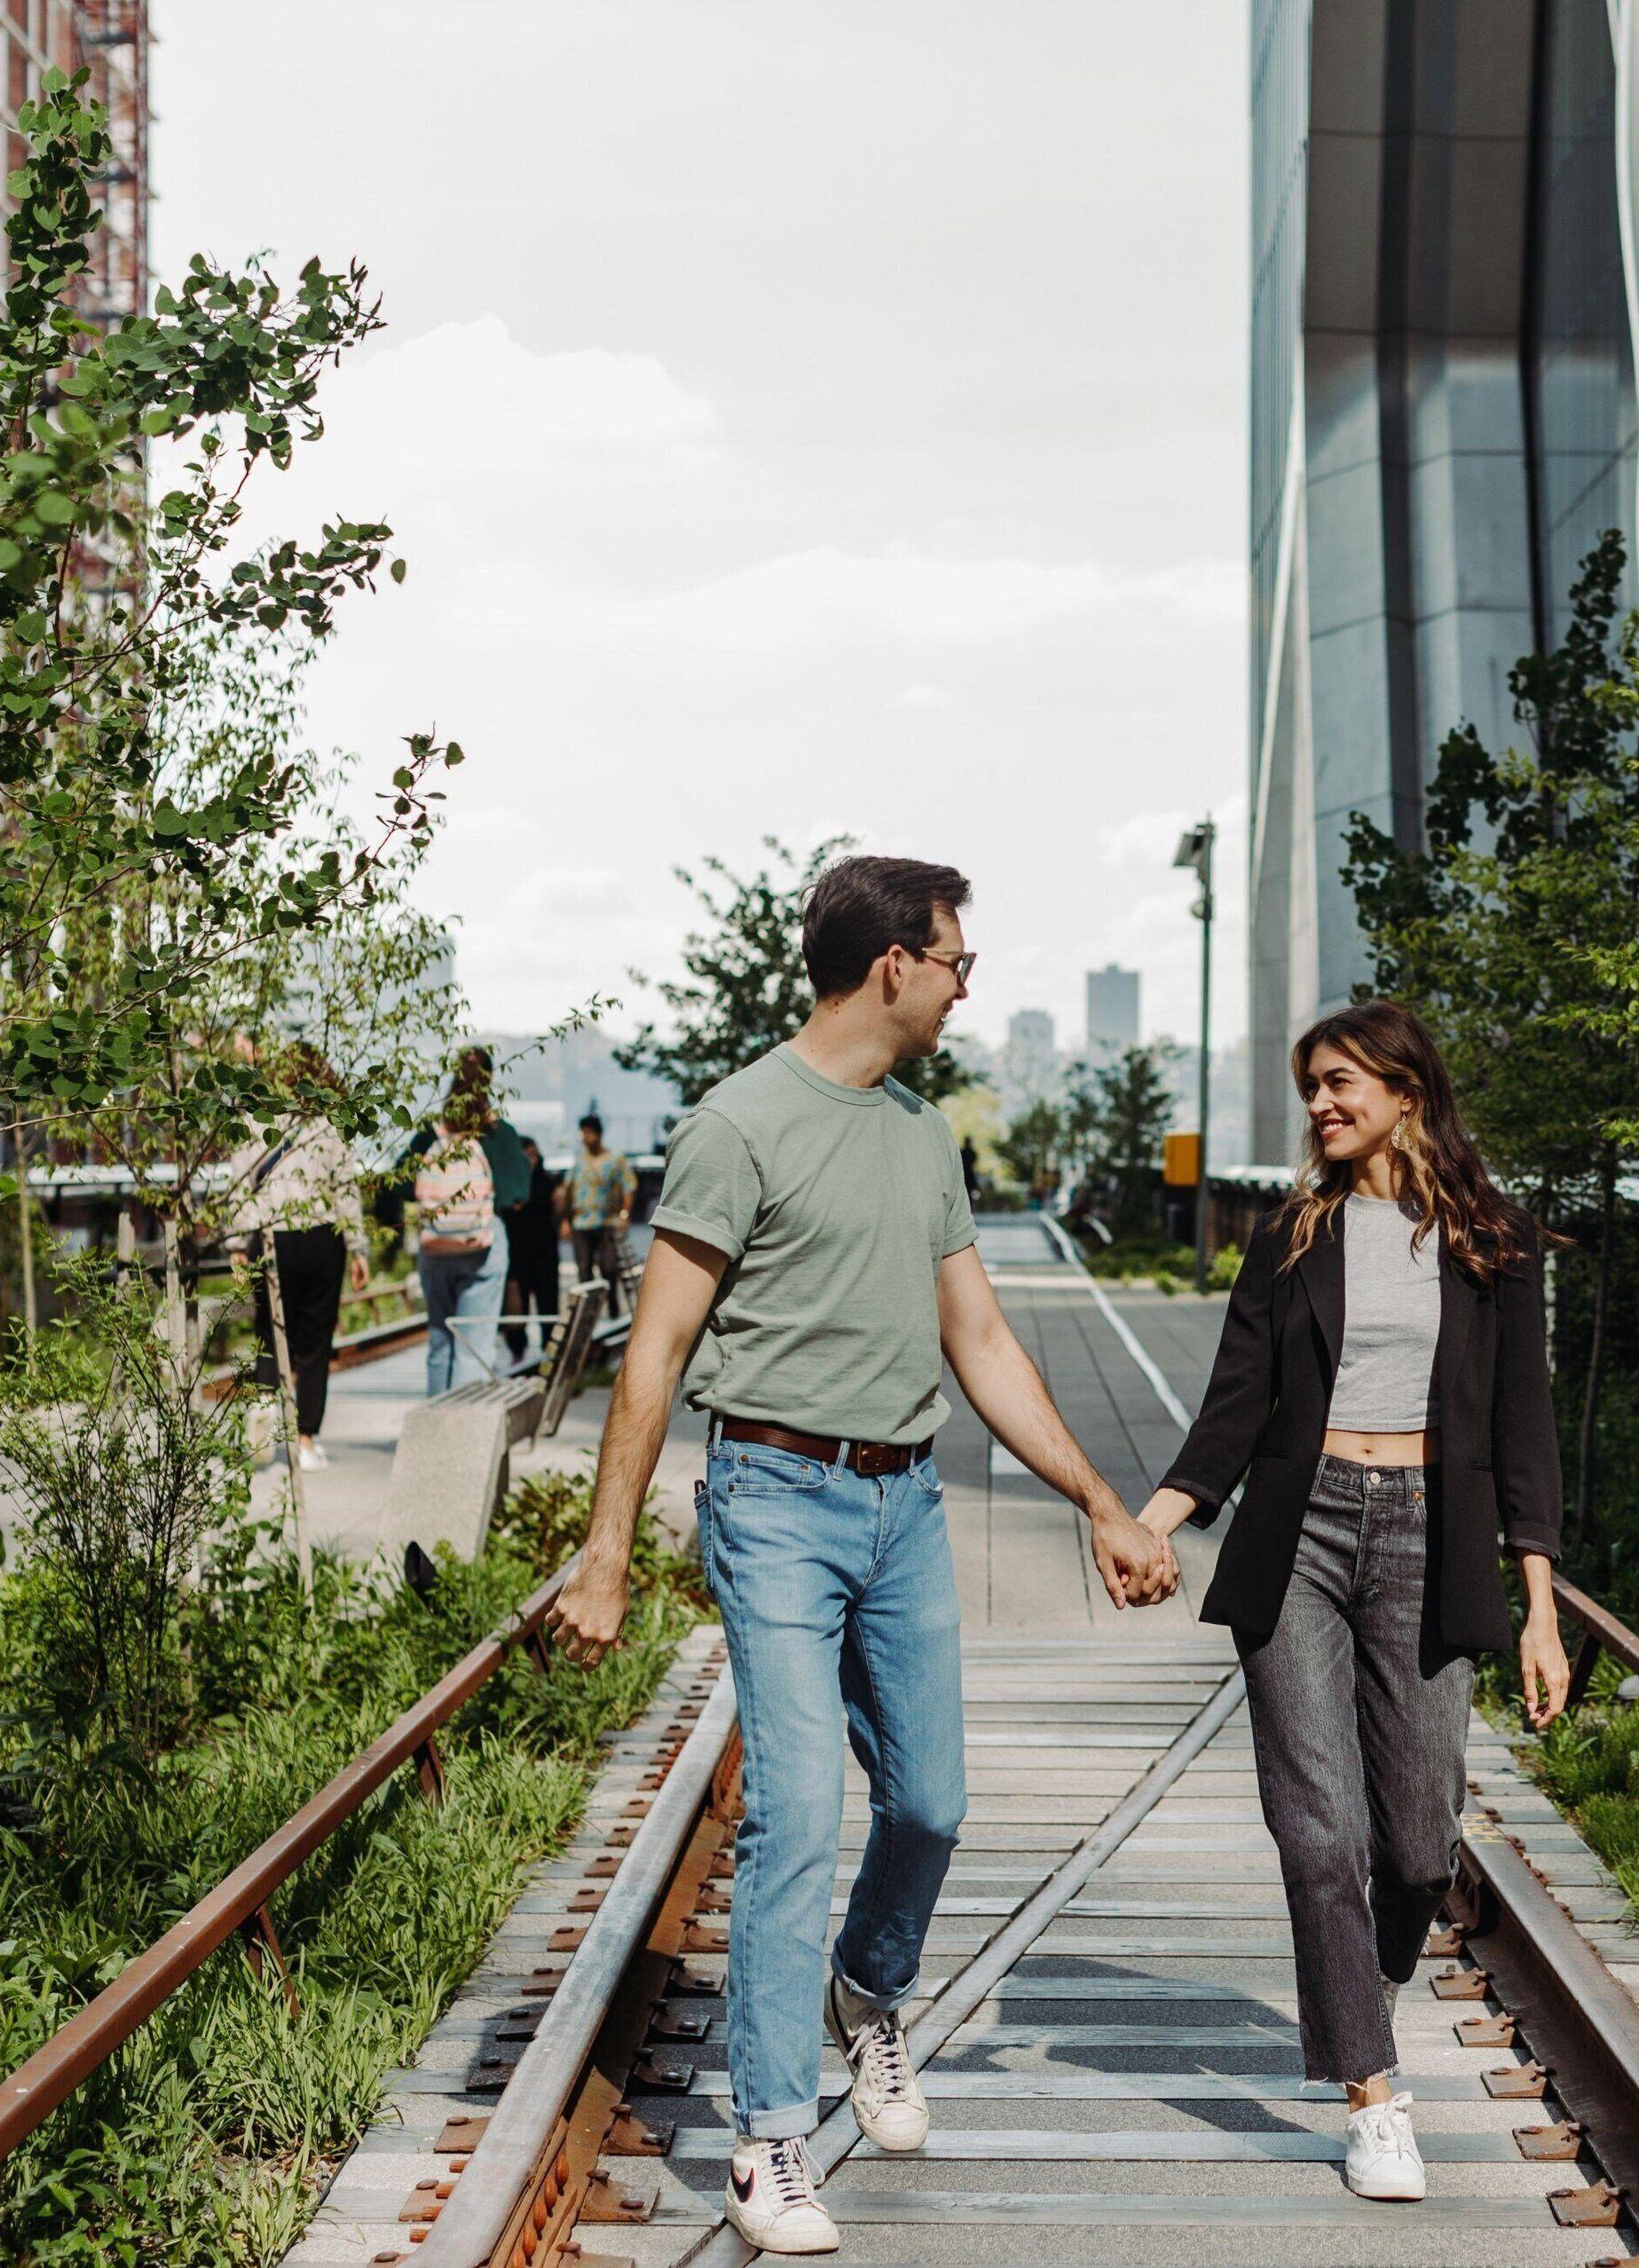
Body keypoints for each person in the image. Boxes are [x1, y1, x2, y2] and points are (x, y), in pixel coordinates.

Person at [541, 854, 1181, 2257]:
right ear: (893, 962)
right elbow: (655, 1354)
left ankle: (866, 1993)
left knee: (936, 1804)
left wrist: (1098, 1500)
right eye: (958, 959)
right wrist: (605, 1557)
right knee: (797, 1815)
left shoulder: (918, 1134)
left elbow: (986, 1342)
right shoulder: (739, 1124)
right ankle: (768, 2141)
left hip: (906, 1508)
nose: (966, 986)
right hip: (773, 1496)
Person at [1131, 1000, 1570, 2205]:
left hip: (1437, 1542)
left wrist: (1540, 1606)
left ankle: (1357, 1985)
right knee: (1318, 1831)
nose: (1322, 1105)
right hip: (1306, 1534)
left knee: (1420, 1843)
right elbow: (1233, 1409)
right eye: (1312, 1088)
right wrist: (1151, 1523)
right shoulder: (1286, 1238)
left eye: (1341, 1084)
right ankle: (1376, 2099)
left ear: (1406, 1090)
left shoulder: (1493, 1241)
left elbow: (1525, 1436)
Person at [222, 1076, 370, 1470]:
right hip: (322, 1237)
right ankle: (304, 1443)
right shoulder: (330, 1124)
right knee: (315, 1341)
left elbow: (239, 1184)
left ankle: (264, 1424)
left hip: (270, 1237)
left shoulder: (253, 1120)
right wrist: (358, 1248)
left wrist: (236, 1244)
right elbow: (346, 1190)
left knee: (269, 1330)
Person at [412, 1085, 505, 1395]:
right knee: (472, 1342)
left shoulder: (429, 1138)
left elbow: (397, 1183)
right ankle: (463, 1430)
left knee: (440, 1342)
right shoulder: (495, 1137)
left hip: (435, 1249)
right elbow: (519, 1188)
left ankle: (436, 1426)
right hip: (480, 1248)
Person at [500, 1128, 564, 1362]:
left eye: (534, 1155)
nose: (531, 1160)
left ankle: (551, 1352)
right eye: (525, 1155)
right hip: (516, 1255)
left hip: (545, 1253)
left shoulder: (548, 1183)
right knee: (517, 1307)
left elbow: (559, 1214)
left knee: (548, 1302)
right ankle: (517, 1353)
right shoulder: (508, 1185)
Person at [570, 1111, 637, 1312]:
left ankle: (613, 1309)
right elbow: (568, 1188)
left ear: (598, 1134)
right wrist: (565, 1219)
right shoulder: (580, 1161)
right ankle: (588, 1314)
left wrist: (625, 1214)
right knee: (584, 1271)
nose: (586, 1138)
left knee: (609, 1268)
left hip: (606, 1222)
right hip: (581, 1223)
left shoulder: (615, 1160)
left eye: (589, 1133)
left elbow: (629, 1186)